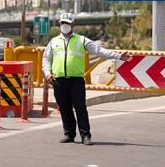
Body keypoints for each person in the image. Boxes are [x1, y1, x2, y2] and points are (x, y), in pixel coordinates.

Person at [42, 13, 132, 145]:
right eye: (62, 23)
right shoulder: (54, 42)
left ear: (73, 25)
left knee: (80, 108)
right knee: (64, 108)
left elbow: (100, 51)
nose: (64, 25)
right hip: (59, 81)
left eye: (67, 23)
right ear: (59, 25)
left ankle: (85, 135)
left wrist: (118, 56)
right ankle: (69, 134)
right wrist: (47, 73)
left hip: (76, 80)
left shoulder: (81, 40)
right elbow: (46, 59)